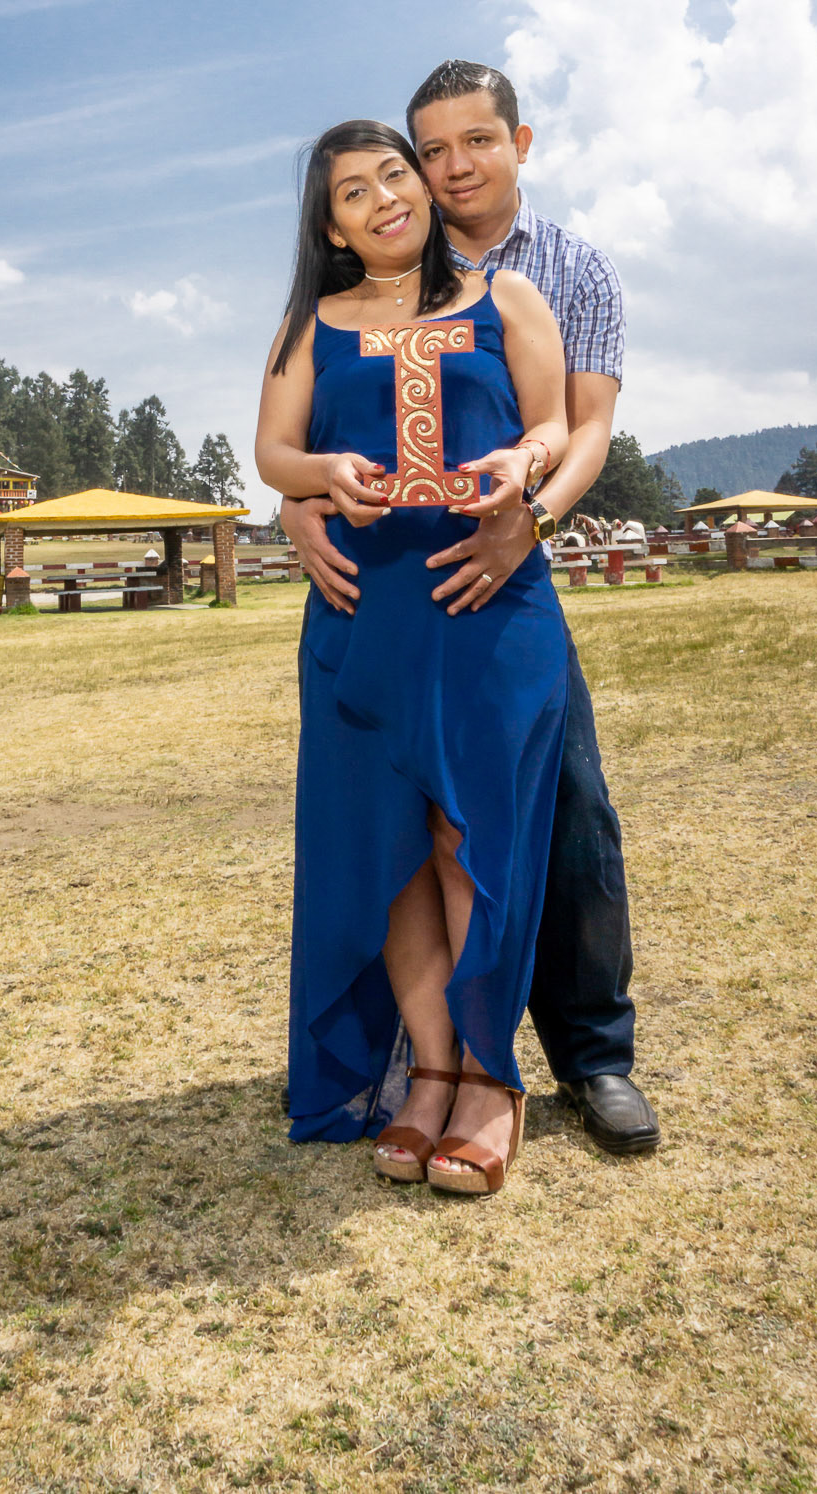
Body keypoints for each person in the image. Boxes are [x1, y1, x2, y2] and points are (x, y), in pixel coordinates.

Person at [281, 61, 661, 1157]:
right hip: (393, 597)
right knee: (405, 829)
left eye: (474, 143)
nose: (453, 167)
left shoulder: (568, 271)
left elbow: (582, 429)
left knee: (569, 817)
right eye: (431, 149)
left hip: (506, 573)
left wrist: (526, 517)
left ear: (520, 142)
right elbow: (312, 420)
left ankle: (595, 1058)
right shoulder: (380, 274)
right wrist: (296, 502)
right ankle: (428, 1059)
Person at [256, 120, 571, 1195]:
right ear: (333, 228)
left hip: (489, 604)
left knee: (467, 837)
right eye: (354, 192)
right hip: (363, 611)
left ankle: (491, 1077)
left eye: (396, 172)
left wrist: (521, 463)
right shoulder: (312, 325)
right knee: (390, 851)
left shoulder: (506, 299)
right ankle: (428, 1071)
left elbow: (559, 427)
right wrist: (316, 475)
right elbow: (273, 451)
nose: (386, 196)